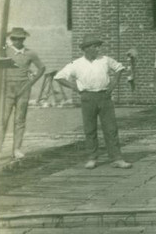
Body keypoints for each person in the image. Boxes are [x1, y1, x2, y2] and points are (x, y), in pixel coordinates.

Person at [55, 35, 132, 170]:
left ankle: (117, 158)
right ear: (86, 49)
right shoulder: (76, 64)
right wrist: (76, 88)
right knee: (90, 129)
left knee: (111, 128)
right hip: (87, 98)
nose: (97, 49)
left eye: (98, 46)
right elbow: (59, 77)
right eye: (94, 47)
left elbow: (119, 68)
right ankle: (92, 158)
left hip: (104, 96)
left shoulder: (105, 60)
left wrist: (113, 85)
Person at [0, 27, 45, 159]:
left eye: (19, 39)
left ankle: (17, 149)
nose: (16, 41)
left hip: (23, 89)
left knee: (20, 119)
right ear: (10, 39)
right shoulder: (4, 52)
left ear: (23, 39)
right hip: (7, 89)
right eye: (14, 38)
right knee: (2, 119)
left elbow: (42, 68)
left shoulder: (30, 53)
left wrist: (31, 83)